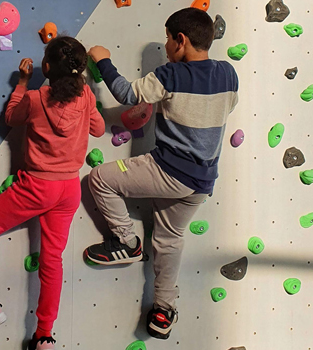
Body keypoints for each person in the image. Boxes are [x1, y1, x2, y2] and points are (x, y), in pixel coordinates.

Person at [79, 8, 236, 340]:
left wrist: (102, 60)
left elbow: (126, 93)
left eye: (167, 38)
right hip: (202, 181)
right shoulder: (228, 74)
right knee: (169, 240)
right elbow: (224, 106)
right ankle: (163, 309)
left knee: (100, 179)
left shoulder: (172, 75)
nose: (165, 46)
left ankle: (127, 242)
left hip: (169, 169)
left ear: (180, 40)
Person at [0, 36, 105, 350]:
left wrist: (21, 83)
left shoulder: (36, 98)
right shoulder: (86, 95)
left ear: (46, 67)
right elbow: (99, 129)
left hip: (38, 186)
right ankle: (44, 336)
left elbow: (11, 118)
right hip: (68, 189)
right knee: (52, 261)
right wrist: (87, 103)